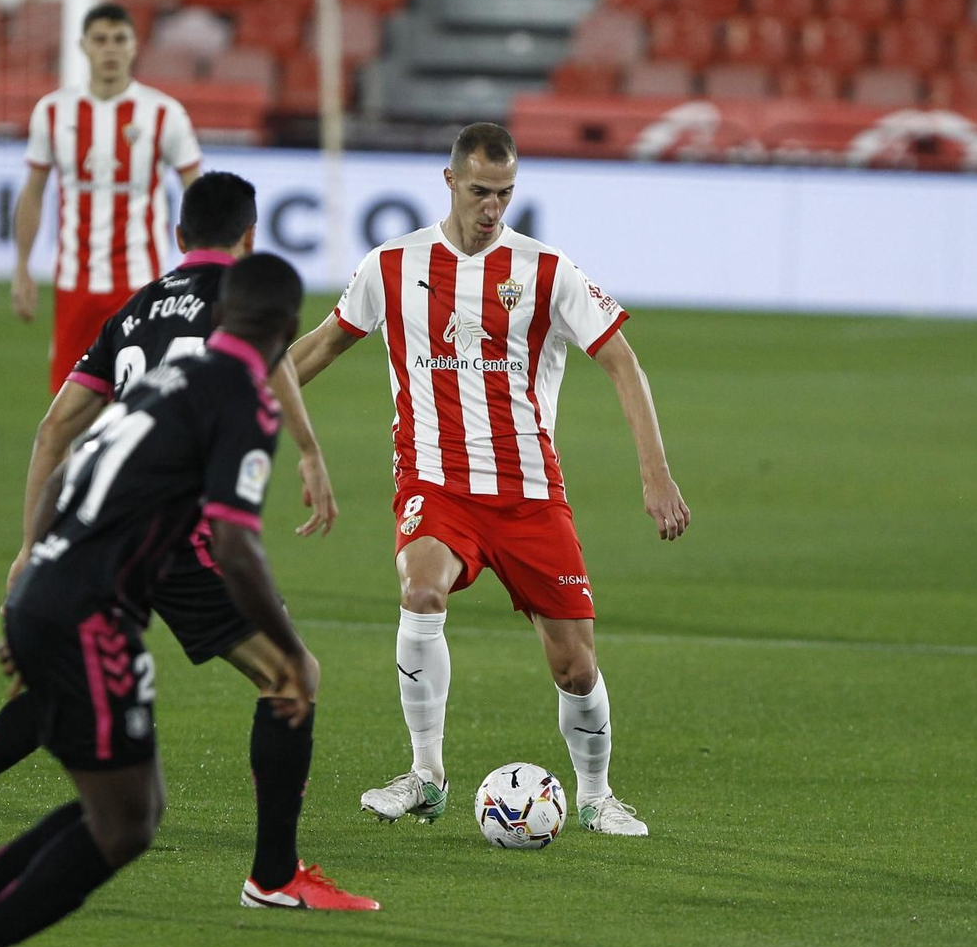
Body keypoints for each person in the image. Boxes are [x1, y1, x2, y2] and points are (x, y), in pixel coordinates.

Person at [0, 173, 374, 913]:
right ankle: (274, 876)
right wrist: (309, 451)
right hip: (182, 534)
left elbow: (56, 427)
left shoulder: (137, 309)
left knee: (64, 691)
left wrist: (28, 546)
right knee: (290, 677)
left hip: (97, 534)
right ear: (250, 238)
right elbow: (264, 364)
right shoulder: (238, 301)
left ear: (177, 238)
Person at [0, 254, 322, 947]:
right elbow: (237, 544)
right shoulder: (244, 403)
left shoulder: (160, 382)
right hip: (87, 612)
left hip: (57, 593)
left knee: (126, 805)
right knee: (124, 824)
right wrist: (285, 648)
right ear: (284, 333)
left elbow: (65, 465)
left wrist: (33, 588)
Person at [289, 122, 690, 836]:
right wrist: (239, 398)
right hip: (435, 484)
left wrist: (655, 475)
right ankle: (426, 774)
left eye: (505, 194)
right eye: (480, 192)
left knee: (573, 665)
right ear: (449, 182)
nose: (492, 208)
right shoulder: (390, 266)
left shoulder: (547, 271)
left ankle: (596, 795)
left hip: (529, 494)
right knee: (420, 589)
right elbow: (320, 346)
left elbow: (622, 361)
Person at [12, 1, 203, 393]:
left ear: (134, 46)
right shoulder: (52, 112)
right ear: (83, 46)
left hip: (140, 283)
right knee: (67, 410)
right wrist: (21, 265)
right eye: (100, 40)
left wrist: (202, 269)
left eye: (120, 39)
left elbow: (197, 195)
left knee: (136, 400)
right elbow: (33, 192)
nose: (110, 49)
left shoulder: (164, 114)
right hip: (73, 284)